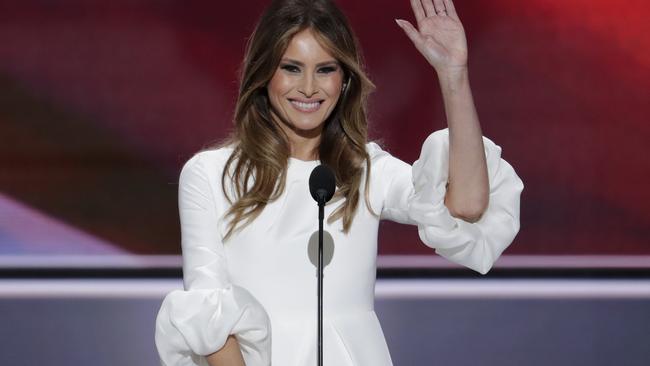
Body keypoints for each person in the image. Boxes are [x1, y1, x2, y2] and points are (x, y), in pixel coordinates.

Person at [155, 0, 523, 365]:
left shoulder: (365, 169)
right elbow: (208, 311)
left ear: (344, 80)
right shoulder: (210, 174)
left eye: (325, 69)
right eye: (292, 68)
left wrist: (453, 75)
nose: (309, 88)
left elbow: (467, 206)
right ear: (265, 73)